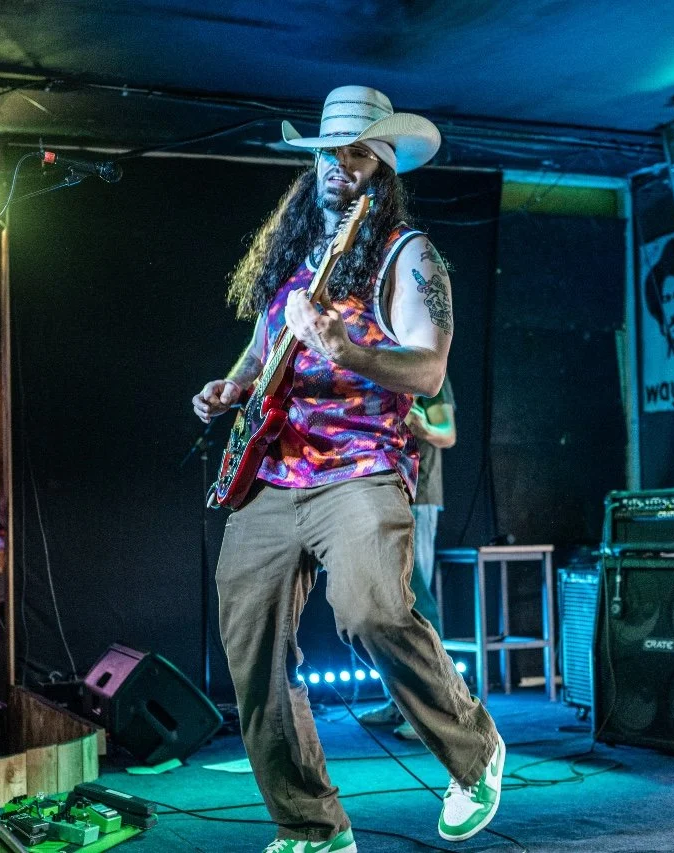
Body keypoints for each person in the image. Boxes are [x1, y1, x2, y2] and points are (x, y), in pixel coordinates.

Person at [192, 86, 503, 853]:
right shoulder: (293, 264)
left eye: (356, 154)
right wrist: (230, 387)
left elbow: (428, 370)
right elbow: (263, 359)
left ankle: (474, 749)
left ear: (383, 169)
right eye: (328, 153)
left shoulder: (409, 256)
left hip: (360, 467)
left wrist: (347, 348)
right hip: (271, 477)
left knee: (369, 610)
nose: (338, 165)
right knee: (253, 653)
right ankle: (312, 827)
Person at [358, 377, 456, 741]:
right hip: (380, 494)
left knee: (416, 603)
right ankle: (399, 701)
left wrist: (423, 425)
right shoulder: (374, 364)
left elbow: (447, 434)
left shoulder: (427, 369)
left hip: (418, 496)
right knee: (386, 606)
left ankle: (437, 710)